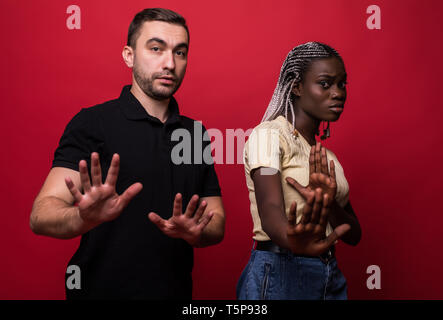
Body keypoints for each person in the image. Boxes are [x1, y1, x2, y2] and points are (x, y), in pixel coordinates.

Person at [29, 8, 225, 299]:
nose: (170, 63)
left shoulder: (195, 135)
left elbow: (217, 221)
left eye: (180, 52)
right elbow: (41, 214)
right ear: (129, 55)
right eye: (156, 49)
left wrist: (196, 231)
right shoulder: (92, 122)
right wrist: (82, 217)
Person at [236, 42, 361, 300]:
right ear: (297, 86)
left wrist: (328, 202)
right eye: (325, 83)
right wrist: (293, 241)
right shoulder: (269, 135)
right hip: (282, 272)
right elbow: (270, 209)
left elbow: (354, 234)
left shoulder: (326, 157)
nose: (338, 92)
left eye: (342, 84)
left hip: (329, 275)